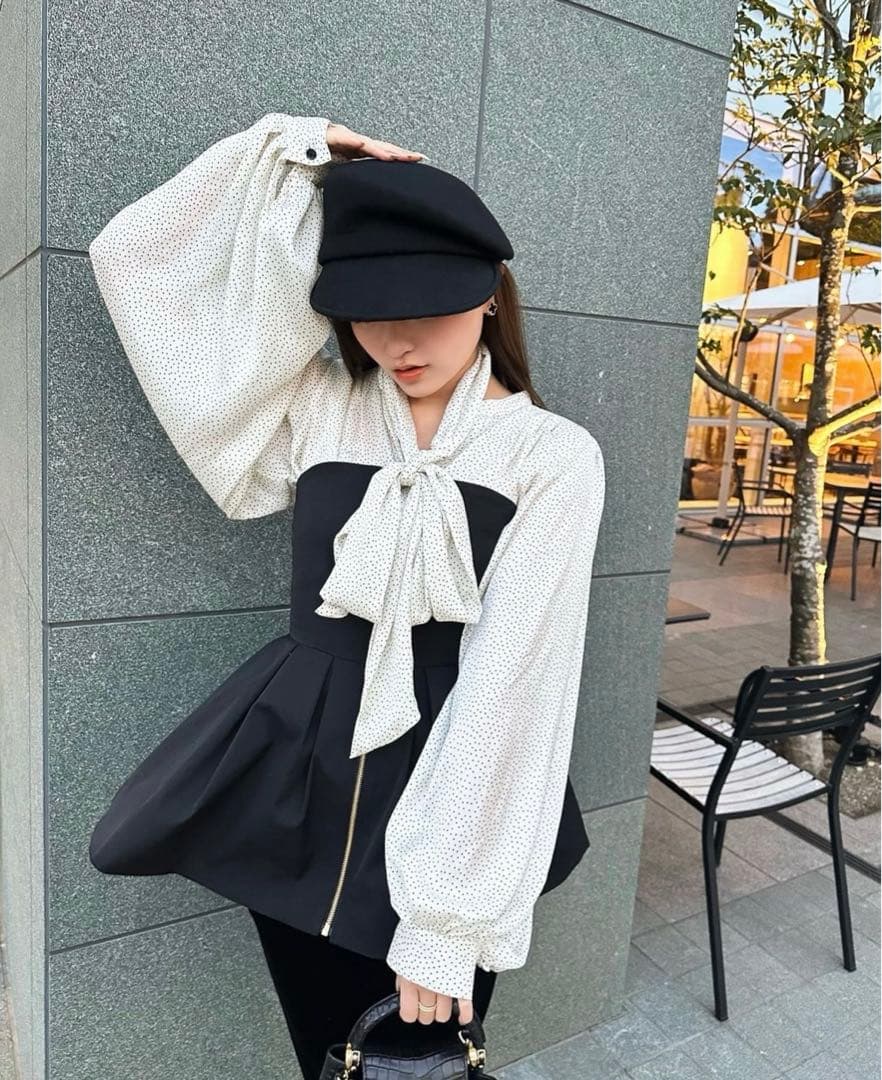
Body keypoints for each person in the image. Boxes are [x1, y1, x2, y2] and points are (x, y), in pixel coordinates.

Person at [86, 111, 606, 1080]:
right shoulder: (323, 405)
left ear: (488, 291)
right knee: (326, 1057)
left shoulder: (551, 456)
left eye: (426, 306)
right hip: (296, 784)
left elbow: (513, 688)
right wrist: (296, 153)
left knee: (419, 1065)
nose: (397, 339)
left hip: (454, 799)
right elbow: (134, 264)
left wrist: (444, 920)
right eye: (369, 309)